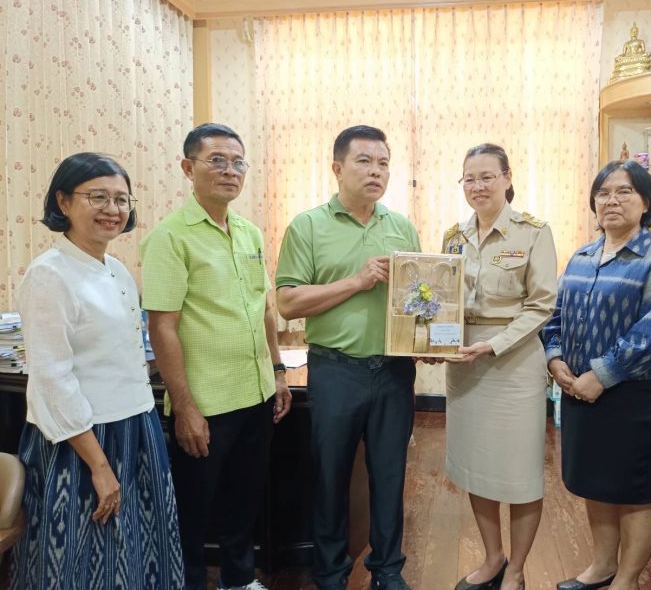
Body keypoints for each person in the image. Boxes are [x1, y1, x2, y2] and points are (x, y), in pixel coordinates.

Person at [10, 153, 183, 589]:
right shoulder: (49, 274)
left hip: (135, 426)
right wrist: (100, 466)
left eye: (121, 199)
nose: (112, 209)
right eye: (98, 197)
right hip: (82, 441)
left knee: (137, 549)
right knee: (80, 558)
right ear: (63, 201)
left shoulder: (116, 269)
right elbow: (53, 380)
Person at [141, 123, 292, 590]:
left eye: (238, 162)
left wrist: (278, 371)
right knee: (193, 510)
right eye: (217, 161)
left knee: (243, 503)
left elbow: (264, 309)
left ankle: (239, 581)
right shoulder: (170, 237)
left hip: (256, 394)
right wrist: (185, 407)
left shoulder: (249, 233)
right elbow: (162, 327)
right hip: (205, 402)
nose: (230, 171)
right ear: (188, 168)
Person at [275, 125, 420, 590]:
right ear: (337, 168)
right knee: (330, 476)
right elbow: (288, 302)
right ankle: (331, 573)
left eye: (383, 163)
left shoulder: (401, 227)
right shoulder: (307, 226)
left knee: (390, 476)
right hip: (336, 369)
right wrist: (357, 282)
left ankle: (388, 569)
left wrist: (430, 340)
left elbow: (419, 300)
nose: (376, 171)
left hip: (394, 370)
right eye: (364, 161)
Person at [543, 160, 651, 590]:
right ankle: (602, 566)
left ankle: (627, 579)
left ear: (646, 202)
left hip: (632, 395)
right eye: (603, 193)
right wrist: (554, 358)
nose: (612, 200)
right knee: (597, 484)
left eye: (624, 191)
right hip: (578, 389)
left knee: (635, 491)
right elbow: (556, 316)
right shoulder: (582, 256)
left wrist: (601, 375)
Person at [440, 143, 557, 590]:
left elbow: (541, 304)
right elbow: (441, 298)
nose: (478, 186)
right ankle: (493, 558)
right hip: (464, 363)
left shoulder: (533, 232)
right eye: (469, 178)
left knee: (520, 472)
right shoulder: (454, 236)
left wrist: (494, 345)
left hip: (514, 361)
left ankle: (518, 569)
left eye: (487, 176)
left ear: (508, 178)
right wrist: (429, 339)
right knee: (477, 464)